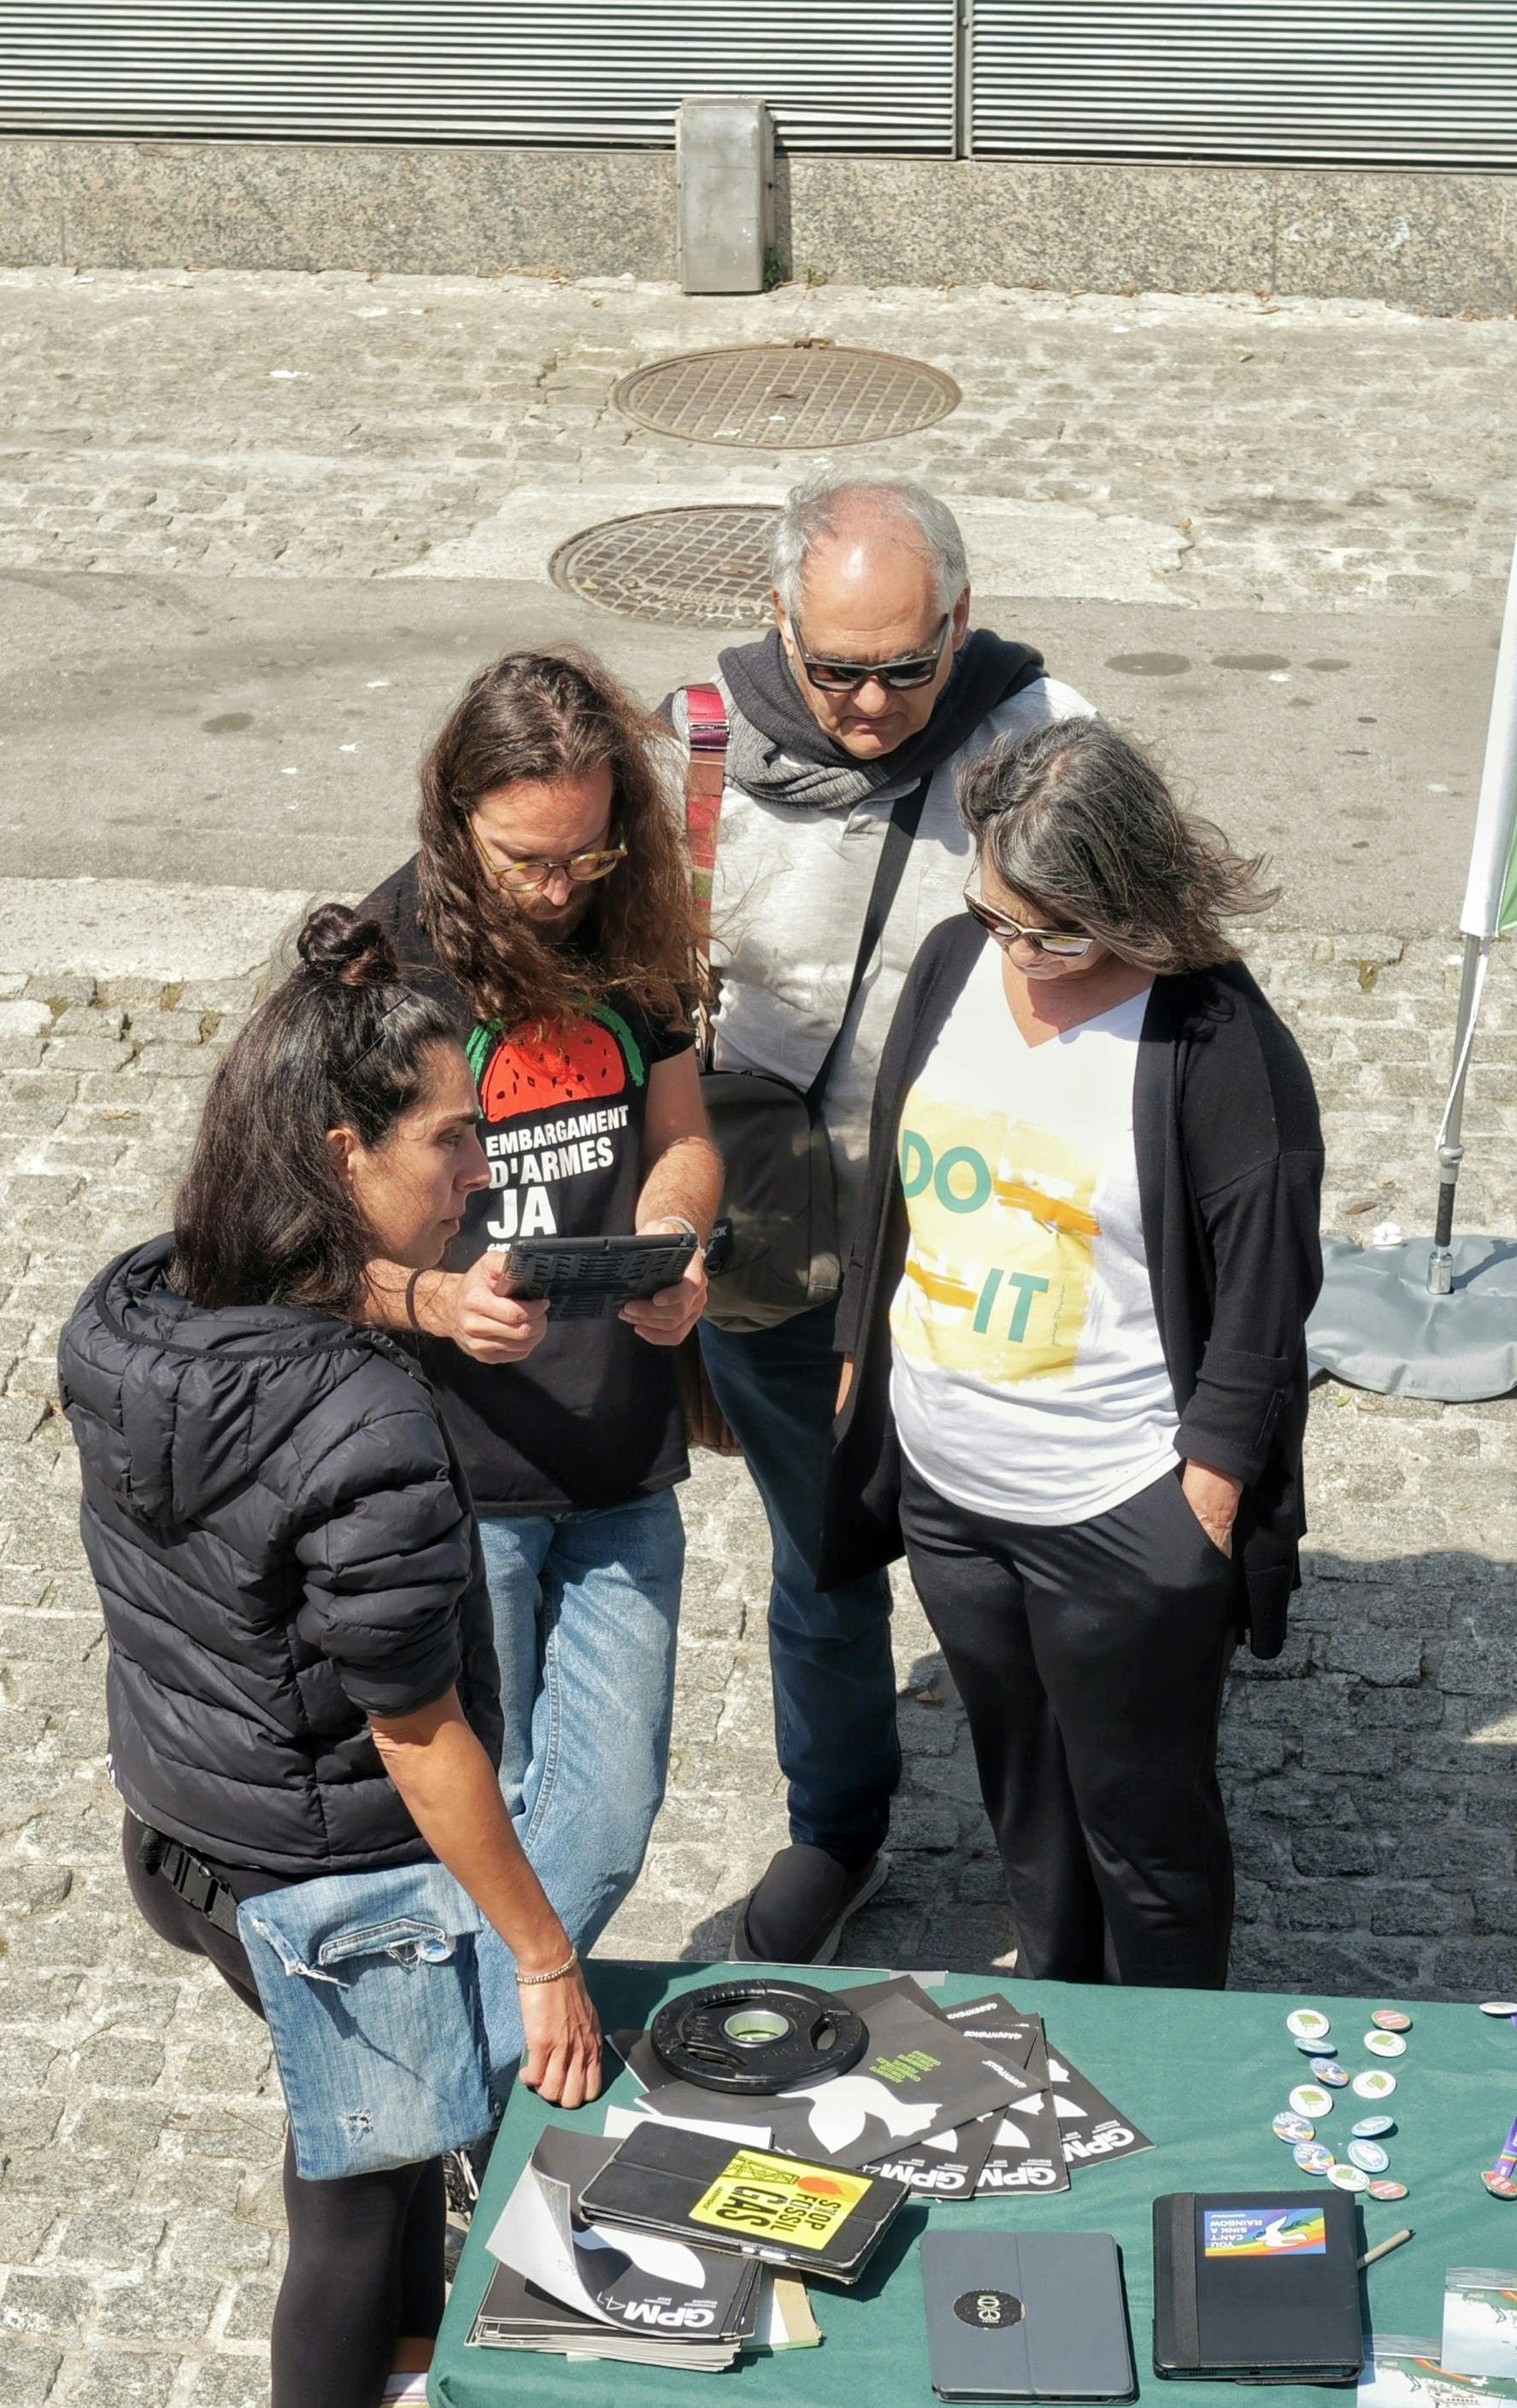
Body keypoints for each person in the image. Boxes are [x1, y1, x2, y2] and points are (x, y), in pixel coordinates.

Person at [58, 907, 602, 2408]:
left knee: (392, 2149)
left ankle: (407, 2376)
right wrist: (543, 1954)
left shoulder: (133, 1305)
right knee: (360, 2199)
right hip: (327, 1882)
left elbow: (302, 1289)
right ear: (342, 1152)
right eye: (452, 1139)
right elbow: (419, 1735)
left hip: (184, 1836)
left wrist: (421, 1297)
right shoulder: (367, 1428)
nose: (485, 1168)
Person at [820, 718, 1323, 1987]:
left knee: (1144, 1833)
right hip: (951, 1498)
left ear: (1132, 904)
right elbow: (892, 1189)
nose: (1021, 956)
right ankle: (1058, 2019)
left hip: (1119, 1509)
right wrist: (859, 1361)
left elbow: (1266, 1293)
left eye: (1058, 934)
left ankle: (1167, 2062)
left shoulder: (1215, 1040)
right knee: (1029, 1814)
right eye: (999, 915)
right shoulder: (954, 961)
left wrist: (1207, 1496)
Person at [669, 467, 1093, 1963]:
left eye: (908, 668)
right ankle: (835, 1828)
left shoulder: (1048, 745)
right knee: (824, 1558)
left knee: (1026, 1567)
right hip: (778, 1244)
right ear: (779, 622)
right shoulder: (693, 755)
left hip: (986, 1245)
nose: (868, 704)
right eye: (836, 668)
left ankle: (1061, 1856)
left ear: (961, 621)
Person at [360, 648, 721, 2005]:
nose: (560, 890)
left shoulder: (633, 922)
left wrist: (678, 1240)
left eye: (587, 853)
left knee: (610, 1814)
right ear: (455, 818)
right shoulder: (381, 967)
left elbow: (684, 1137)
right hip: (457, 1473)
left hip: (620, 1451)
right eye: (525, 861)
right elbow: (297, 1250)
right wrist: (433, 1301)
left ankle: (486, 2041)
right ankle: (490, 2052)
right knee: (486, 1801)